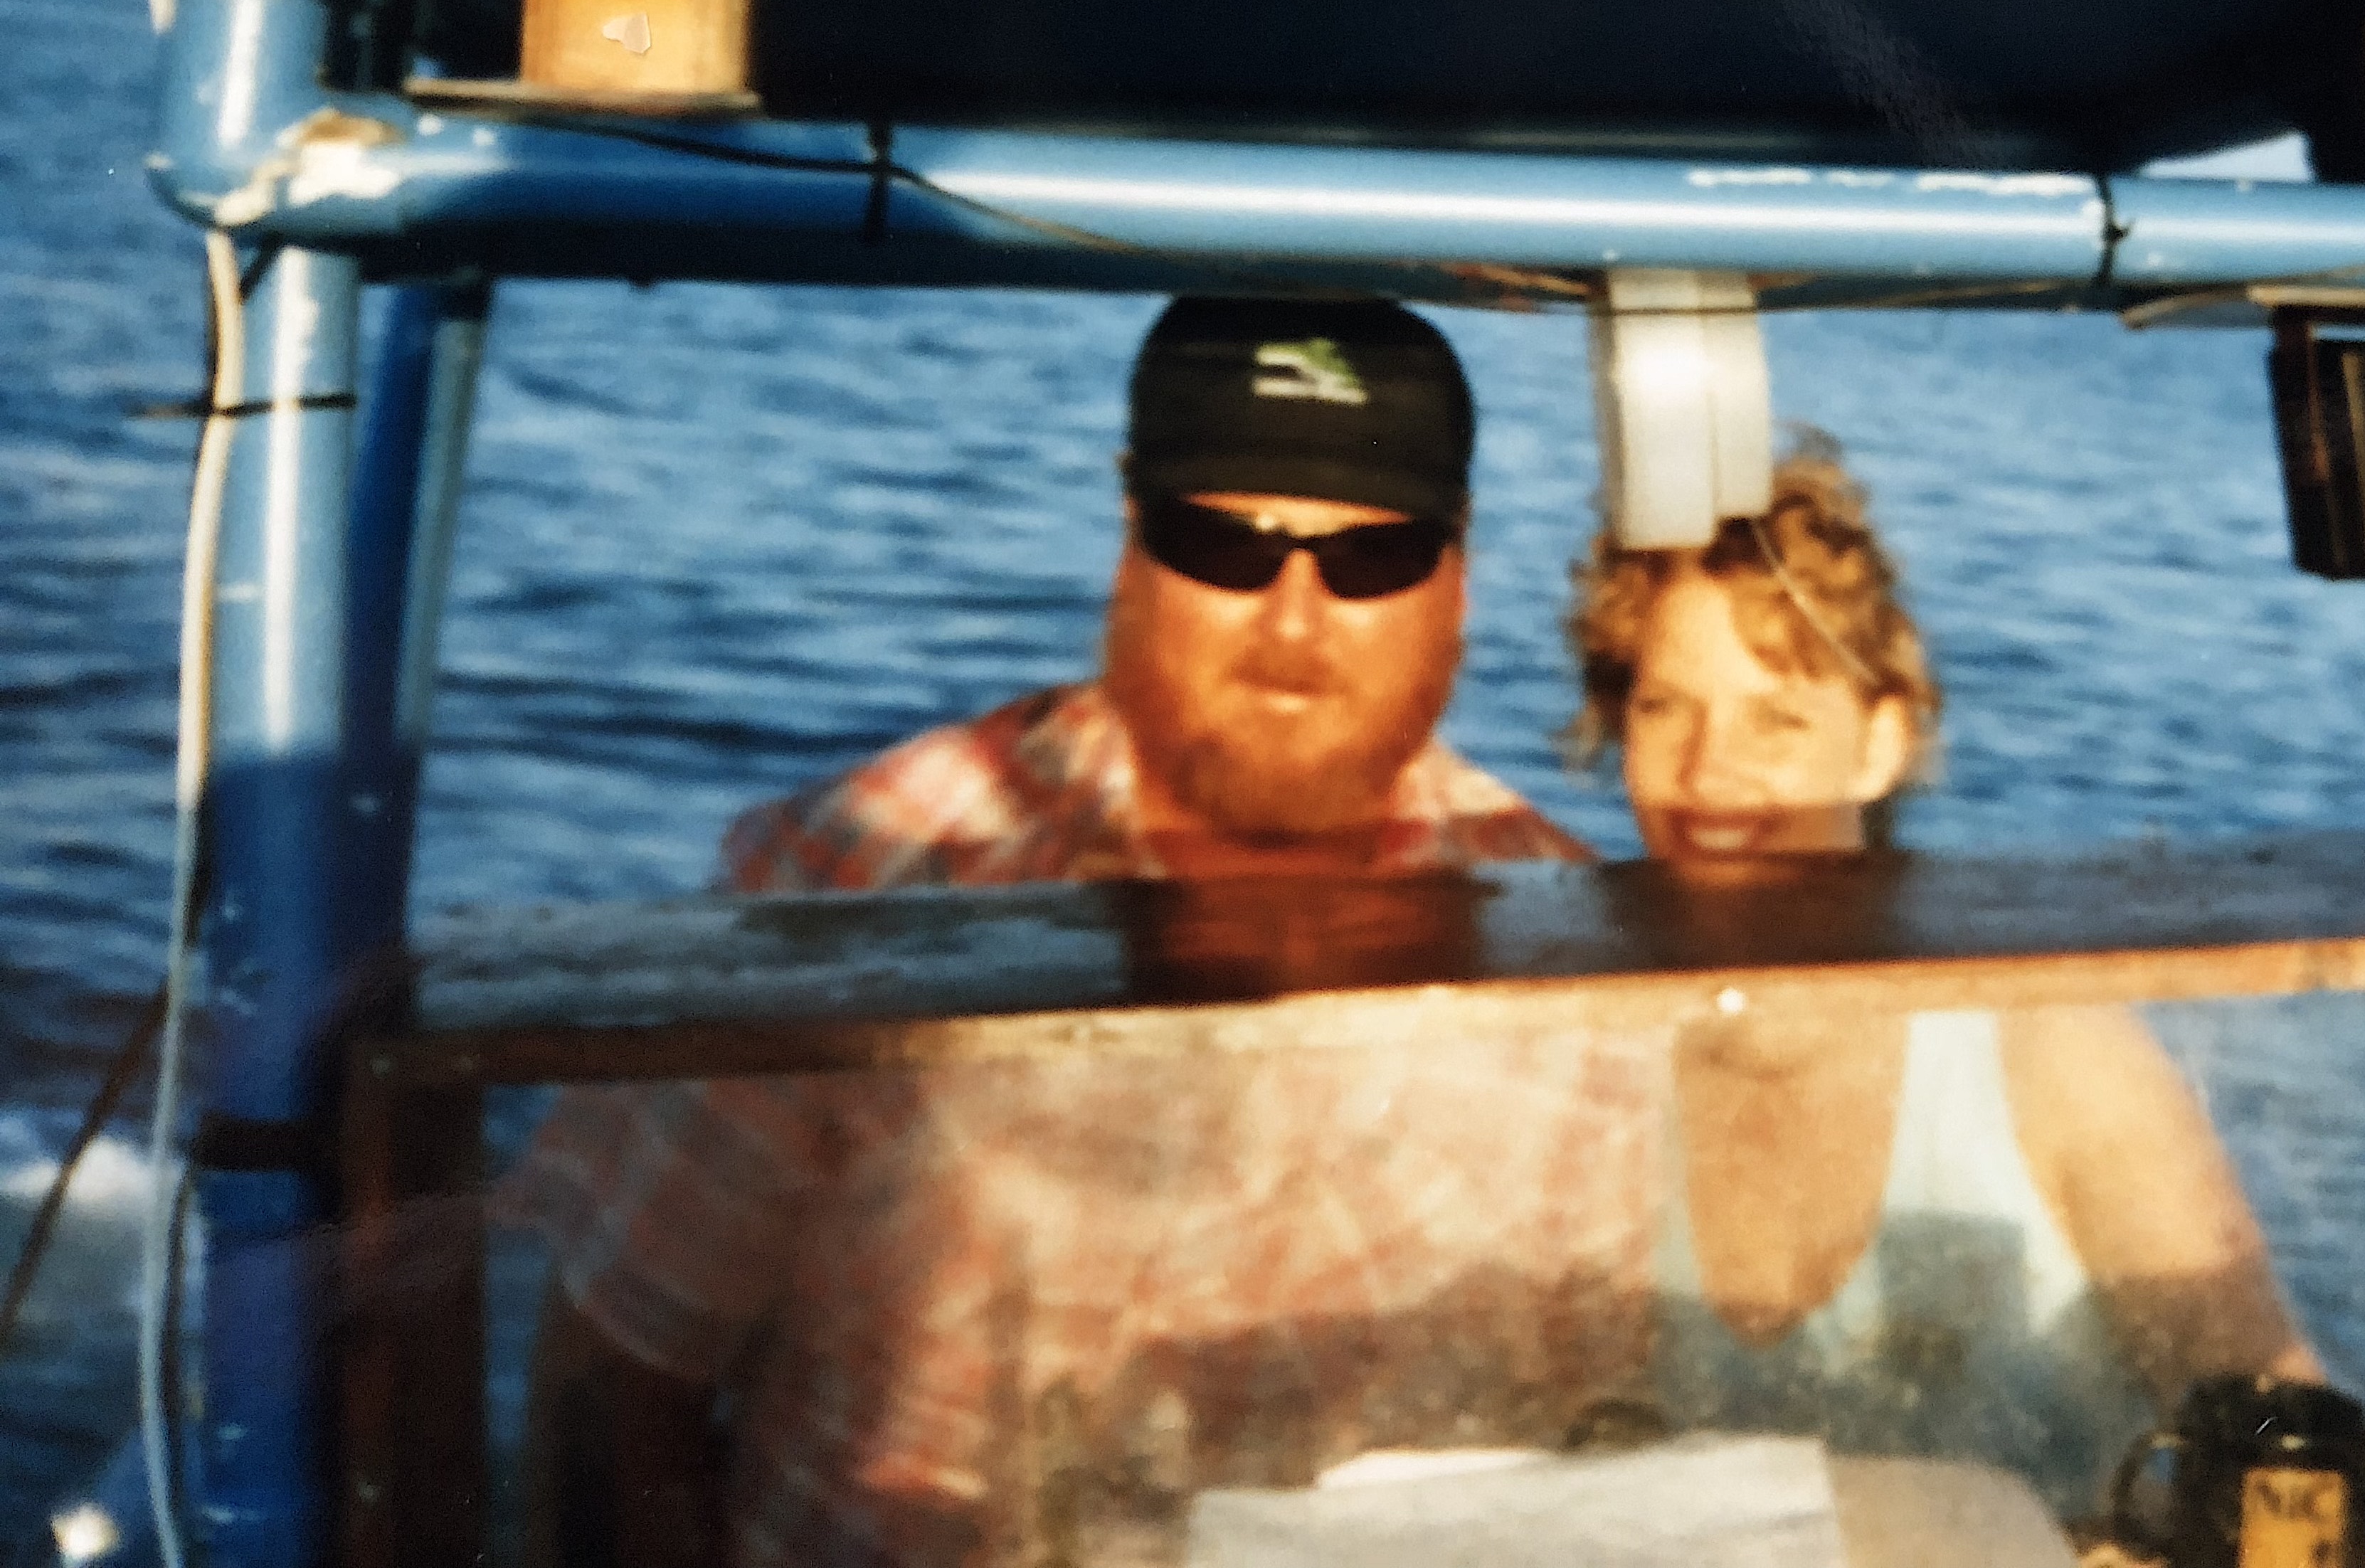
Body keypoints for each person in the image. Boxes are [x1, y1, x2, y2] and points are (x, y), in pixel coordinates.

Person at [509, 296, 1619, 1568]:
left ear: (1460, 580)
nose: (1294, 622)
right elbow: (615, 1391)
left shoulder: (1573, 951)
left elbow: (1604, 1434)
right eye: (1222, 546)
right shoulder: (858, 882)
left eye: (1373, 559)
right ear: (1130, 546)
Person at [1565, 438, 2322, 1520]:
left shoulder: (2049, 1053)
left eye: (1778, 719)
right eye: (1664, 709)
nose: (1709, 771)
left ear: (1879, 744)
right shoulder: (1586, 1066)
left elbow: (2283, 1425)